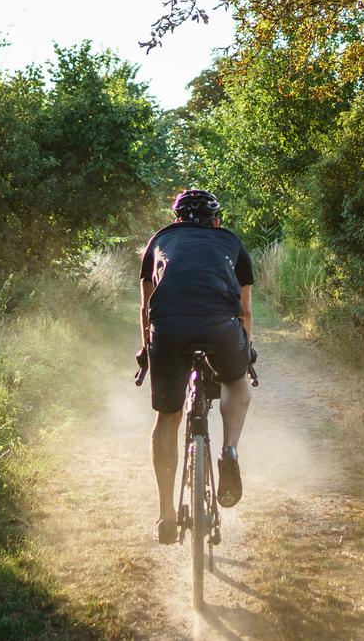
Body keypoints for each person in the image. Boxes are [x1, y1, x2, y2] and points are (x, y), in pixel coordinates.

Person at [136, 189, 254, 544]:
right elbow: (245, 311)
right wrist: (244, 352)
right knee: (236, 383)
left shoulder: (159, 240)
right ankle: (229, 448)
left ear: (176, 220)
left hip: (169, 327)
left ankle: (166, 514)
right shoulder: (231, 242)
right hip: (219, 325)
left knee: (167, 416)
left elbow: (145, 309)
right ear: (216, 220)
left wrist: (147, 350)